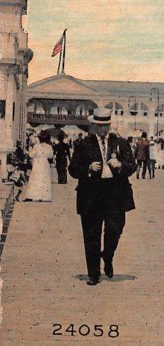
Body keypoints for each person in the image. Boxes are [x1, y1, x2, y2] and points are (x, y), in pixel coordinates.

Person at [68, 108, 137, 285]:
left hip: (115, 194)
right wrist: (88, 169)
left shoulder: (120, 143)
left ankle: (107, 255)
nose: (104, 129)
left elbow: (132, 166)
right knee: (91, 234)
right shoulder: (83, 145)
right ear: (94, 126)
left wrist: (120, 164)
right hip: (91, 194)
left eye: (106, 125)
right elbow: (73, 170)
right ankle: (93, 273)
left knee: (115, 229)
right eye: (100, 126)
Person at [21, 133, 54, 202]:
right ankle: (44, 196)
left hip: (37, 163)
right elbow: (51, 156)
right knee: (44, 179)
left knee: (35, 179)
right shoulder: (49, 147)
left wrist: (30, 149)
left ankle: (31, 196)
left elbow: (31, 155)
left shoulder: (36, 146)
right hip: (45, 163)